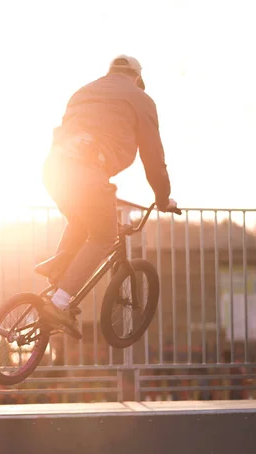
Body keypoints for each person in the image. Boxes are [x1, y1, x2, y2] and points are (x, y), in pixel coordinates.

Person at [38, 54, 177, 339]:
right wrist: (163, 198)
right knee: (103, 237)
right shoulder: (141, 100)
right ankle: (60, 303)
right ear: (137, 78)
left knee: (81, 222)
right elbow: (153, 157)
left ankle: (56, 279)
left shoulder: (84, 91)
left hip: (53, 170)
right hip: (86, 174)